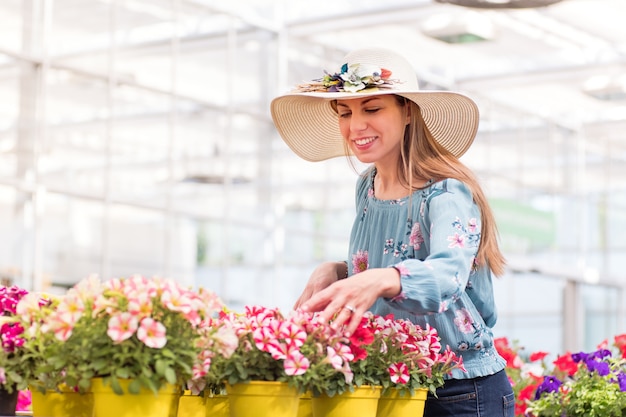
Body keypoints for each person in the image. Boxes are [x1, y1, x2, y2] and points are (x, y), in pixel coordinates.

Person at [270, 47, 514, 417]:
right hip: (398, 380)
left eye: (372, 109)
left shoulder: (446, 193)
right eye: (345, 112)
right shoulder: (366, 188)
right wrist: (337, 271)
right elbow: (391, 258)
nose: (355, 126)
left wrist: (379, 279)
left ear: (408, 112)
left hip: (461, 390)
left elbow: (447, 277)